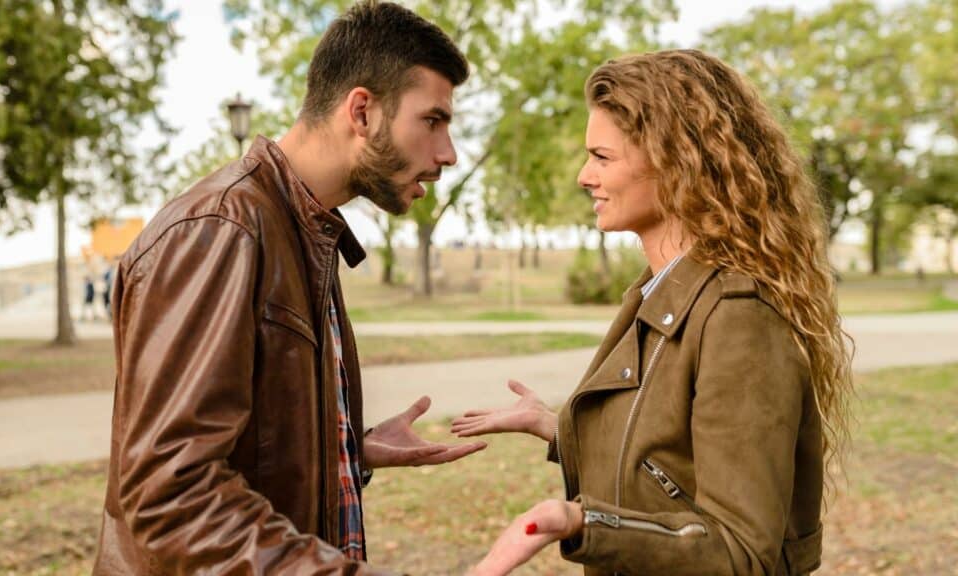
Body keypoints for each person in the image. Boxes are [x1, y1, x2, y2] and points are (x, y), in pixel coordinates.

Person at [92, 2, 486, 573]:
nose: (447, 153)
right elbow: (170, 495)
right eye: (433, 120)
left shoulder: (303, 229)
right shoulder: (221, 229)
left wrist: (348, 449)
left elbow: (246, 445)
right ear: (362, 111)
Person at [453, 49, 853, 576]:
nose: (582, 176)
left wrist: (581, 523)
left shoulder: (739, 316)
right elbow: (666, 463)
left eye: (602, 157)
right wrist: (559, 428)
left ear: (676, 161)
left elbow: (740, 552)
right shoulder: (659, 291)